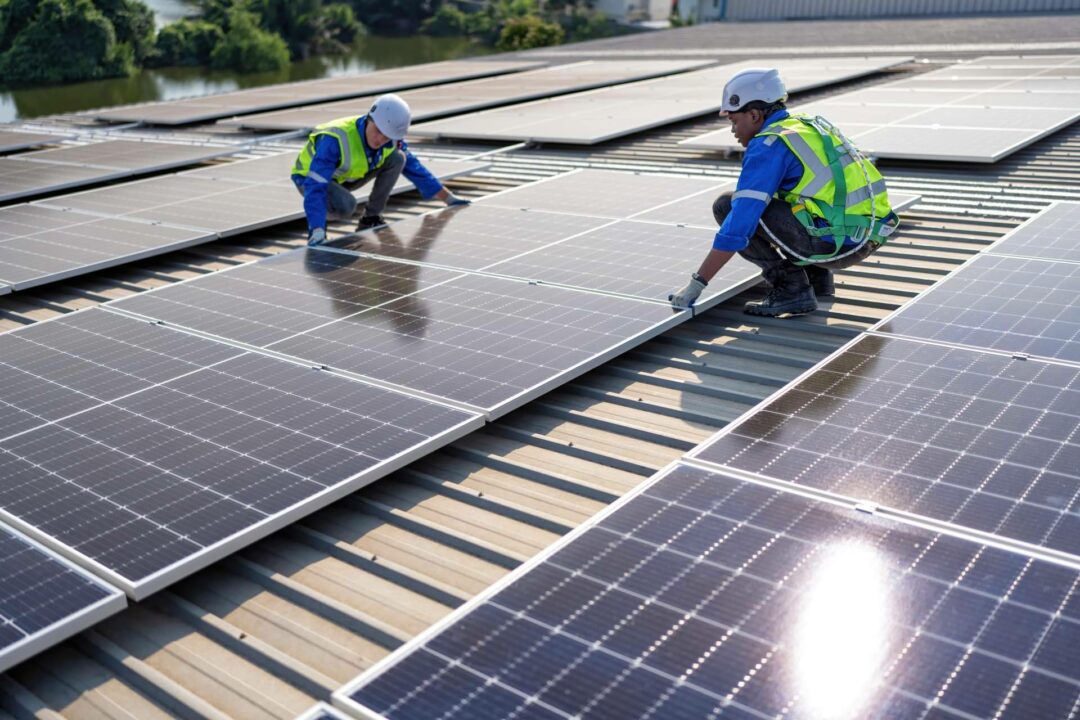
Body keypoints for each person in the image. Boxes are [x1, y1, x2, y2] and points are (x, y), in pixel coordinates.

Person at [669, 68, 900, 316]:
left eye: (734, 121)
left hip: (837, 246)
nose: (733, 130)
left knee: (727, 206)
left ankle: (791, 289)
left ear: (755, 114)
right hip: (864, 236)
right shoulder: (805, 126)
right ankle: (816, 279)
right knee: (781, 196)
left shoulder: (768, 144)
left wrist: (697, 283)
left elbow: (738, 225)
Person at [292, 93, 471, 247]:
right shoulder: (335, 138)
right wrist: (317, 230)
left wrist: (447, 197)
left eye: (387, 136)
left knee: (398, 157)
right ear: (370, 118)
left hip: (344, 177)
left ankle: (370, 218)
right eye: (378, 131)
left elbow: (413, 167)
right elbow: (316, 186)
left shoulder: (391, 138)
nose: (380, 139)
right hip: (309, 178)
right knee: (346, 205)